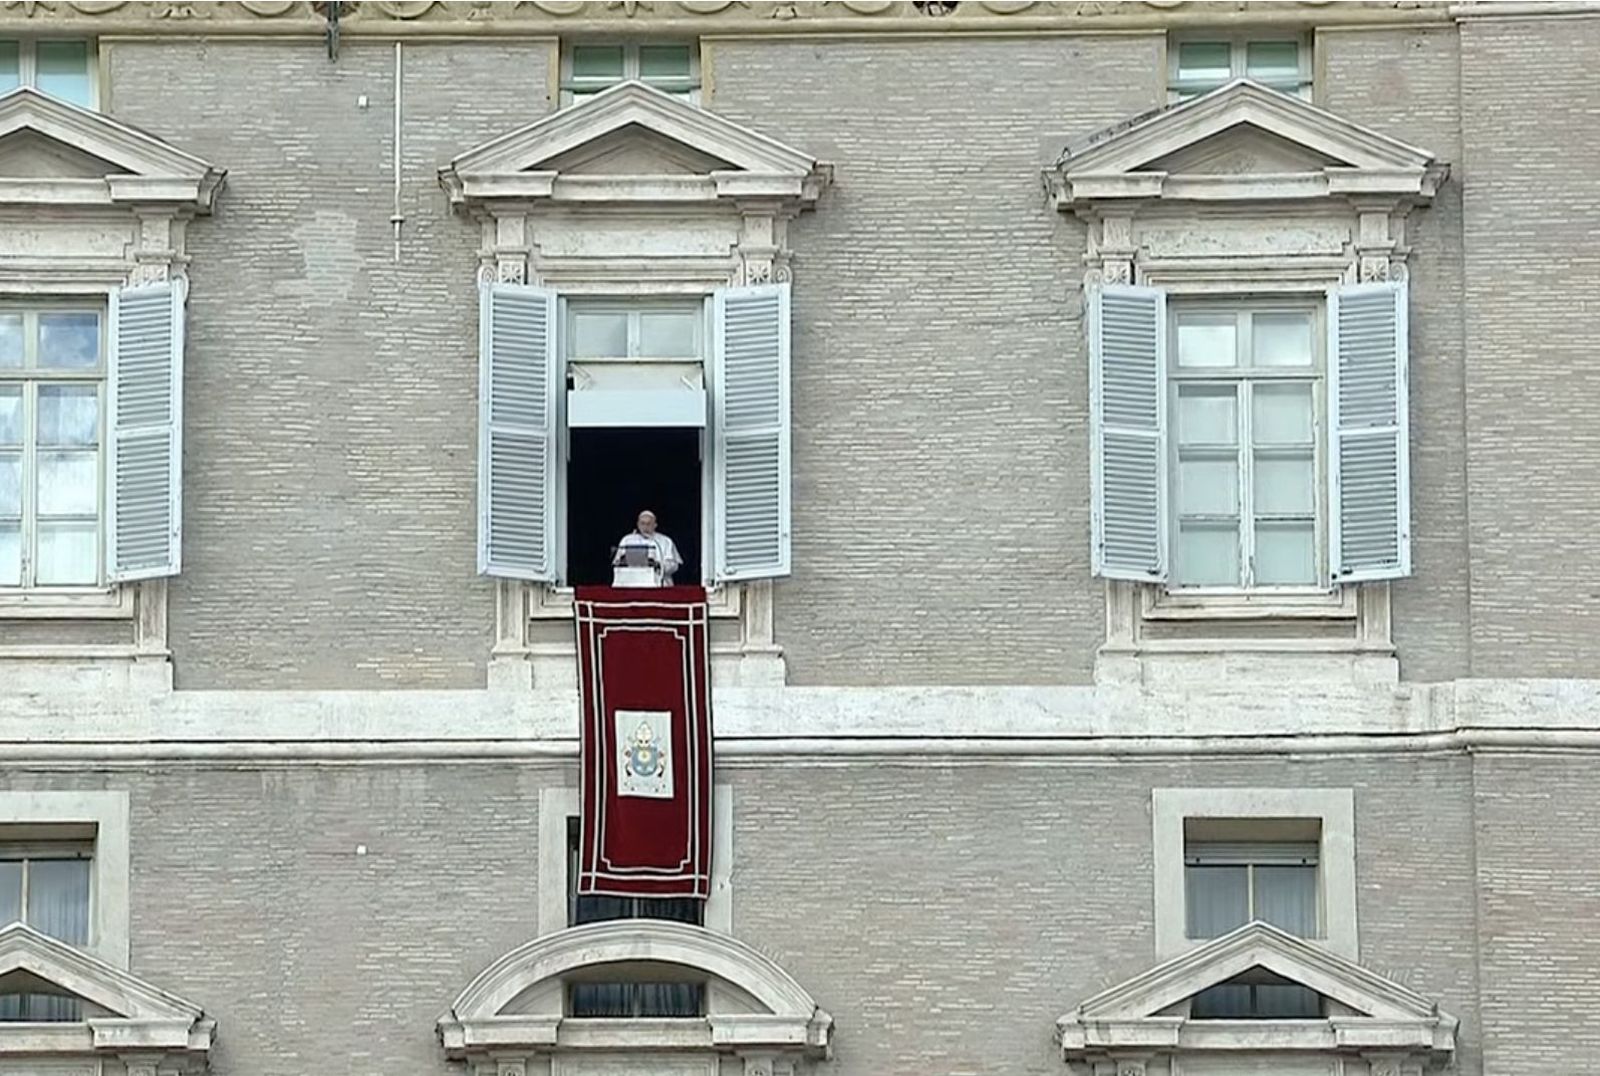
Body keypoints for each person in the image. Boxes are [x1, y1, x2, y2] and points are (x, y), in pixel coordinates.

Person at [612, 509, 682, 586]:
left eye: (649, 524)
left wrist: (658, 565)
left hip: (657, 584)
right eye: (642, 523)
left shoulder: (665, 541)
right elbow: (617, 562)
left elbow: (674, 565)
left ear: (655, 525)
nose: (645, 527)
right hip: (630, 583)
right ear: (638, 524)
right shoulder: (627, 540)